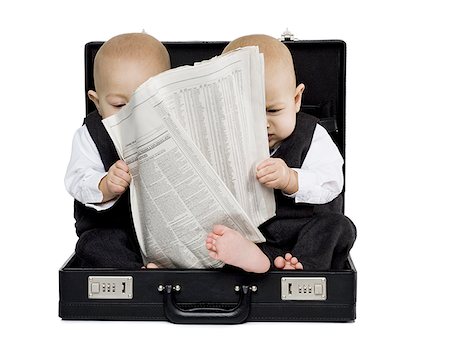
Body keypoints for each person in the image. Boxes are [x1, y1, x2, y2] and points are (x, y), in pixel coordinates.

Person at [205, 34, 356, 272]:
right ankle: (256, 259)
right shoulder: (220, 138)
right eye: (244, 114)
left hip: (301, 234)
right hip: (252, 235)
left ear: (296, 99)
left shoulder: (311, 133)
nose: (260, 124)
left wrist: (291, 179)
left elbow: (332, 182)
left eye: (273, 110)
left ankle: (300, 269)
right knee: (214, 236)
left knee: (338, 226)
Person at [65, 32, 170, 268]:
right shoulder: (90, 134)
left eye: (148, 102)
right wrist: (104, 185)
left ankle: (166, 267)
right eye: (120, 105)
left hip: (164, 232)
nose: (133, 115)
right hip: (112, 228)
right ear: (97, 102)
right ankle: (139, 277)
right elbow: (77, 179)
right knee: (94, 245)